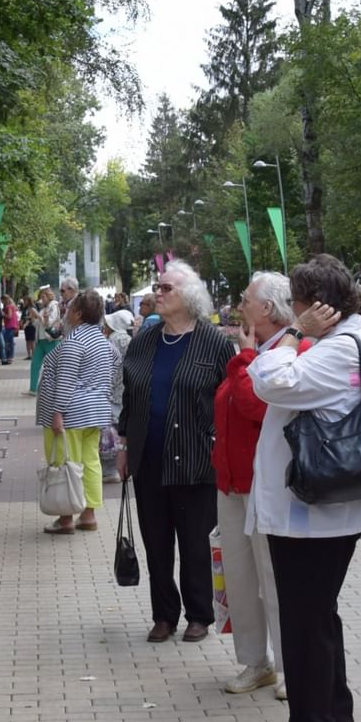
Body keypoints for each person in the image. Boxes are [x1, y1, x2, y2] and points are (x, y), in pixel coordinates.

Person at [245, 253, 361, 722]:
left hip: (314, 515)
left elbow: (270, 381)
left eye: (298, 305)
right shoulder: (348, 343)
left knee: (305, 624)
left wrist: (289, 334)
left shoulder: (339, 349)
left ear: (314, 306)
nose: (293, 313)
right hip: (320, 511)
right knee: (318, 618)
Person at [115, 260, 235, 642]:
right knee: (157, 542)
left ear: (190, 297)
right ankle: (164, 615)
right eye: (157, 287)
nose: (157, 293)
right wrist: (124, 445)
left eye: (166, 288)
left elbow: (230, 396)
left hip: (196, 459)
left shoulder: (214, 342)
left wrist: (221, 442)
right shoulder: (145, 340)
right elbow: (130, 397)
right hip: (149, 458)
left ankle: (199, 614)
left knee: (196, 542)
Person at [211, 272, 293, 699]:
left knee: (273, 579)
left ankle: (289, 666)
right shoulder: (256, 349)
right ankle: (255, 663)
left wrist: (243, 358)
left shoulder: (289, 350)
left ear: (268, 308)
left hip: (265, 486)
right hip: (231, 483)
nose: (239, 306)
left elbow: (255, 405)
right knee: (239, 578)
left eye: (246, 299)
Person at [38, 291, 120, 534]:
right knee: (90, 462)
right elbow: (115, 368)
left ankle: (65, 517)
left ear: (78, 314)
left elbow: (65, 381)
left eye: (70, 307)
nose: (66, 312)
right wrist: (97, 391)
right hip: (95, 412)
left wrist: (57, 413)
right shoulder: (105, 343)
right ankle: (88, 515)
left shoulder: (74, 343)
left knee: (65, 462)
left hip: (71, 413)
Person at [25, 287, 53, 392]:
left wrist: (38, 316)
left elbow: (49, 323)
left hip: (50, 340)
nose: (42, 299)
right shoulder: (43, 308)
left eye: (43, 297)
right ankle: (33, 389)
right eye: (41, 297)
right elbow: (38, 324)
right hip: (41, 340)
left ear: (49, 296)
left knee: (52, 365)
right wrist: (33, 318)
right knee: (35, 363)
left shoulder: (53, 306)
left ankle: (52, 389)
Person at [1, 297, 20, 364]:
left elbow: (9, 316)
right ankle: (10, 357)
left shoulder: (8, 307)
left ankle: (9, 357)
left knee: (8, 342)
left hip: (9, 326)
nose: (2, 302)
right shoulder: (12, 306)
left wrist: (3, 314)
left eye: (2, 300)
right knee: (10, 342)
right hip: (12, 325)